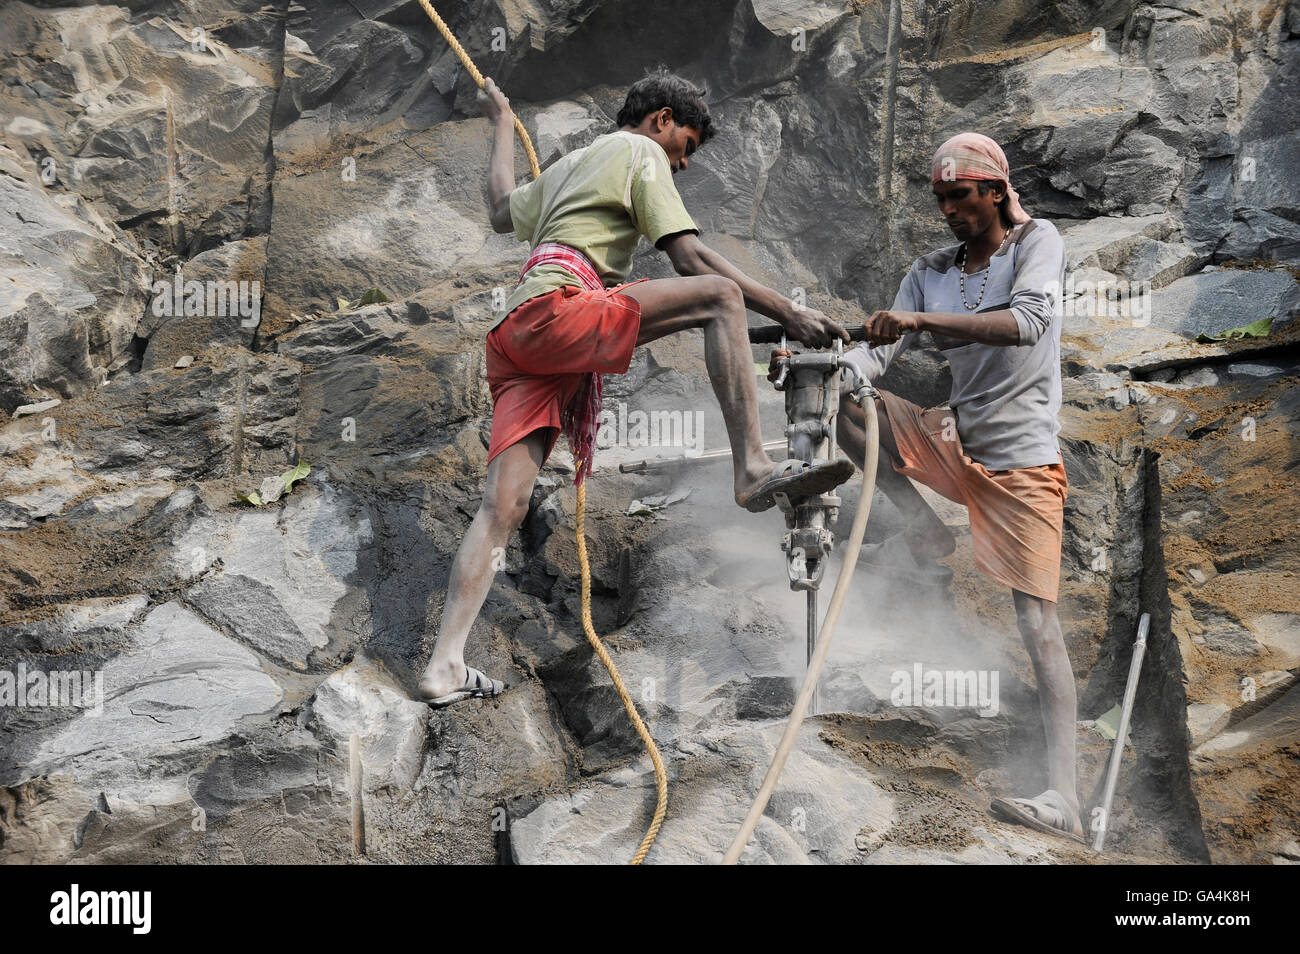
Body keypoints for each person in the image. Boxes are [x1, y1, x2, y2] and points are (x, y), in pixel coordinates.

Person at [419, 68, 852, 707]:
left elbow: (501, 207)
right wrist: (788, 312)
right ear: (661, 121)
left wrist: (503, 125)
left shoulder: (571, 166)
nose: (680, 165)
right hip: (562, 309)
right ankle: (752, 468)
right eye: (686, 147)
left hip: (518, 333)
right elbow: (691, 259)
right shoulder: (637, 150)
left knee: (501, 508)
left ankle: (444, 665)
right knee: (719, 297)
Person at [778, 132, 1081, 840]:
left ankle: (1063, 796)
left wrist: (918, 320)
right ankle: (919, 523)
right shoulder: (930, 270)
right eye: (941, 200)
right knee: (846, 407)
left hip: (1022, 464)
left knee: (1038, 627)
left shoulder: (1038, 244)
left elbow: (1029, 322)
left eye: (961, 198)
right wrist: (823, 365)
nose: (949, 212)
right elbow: (873, 359)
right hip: (952, 438)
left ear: (997, 191)